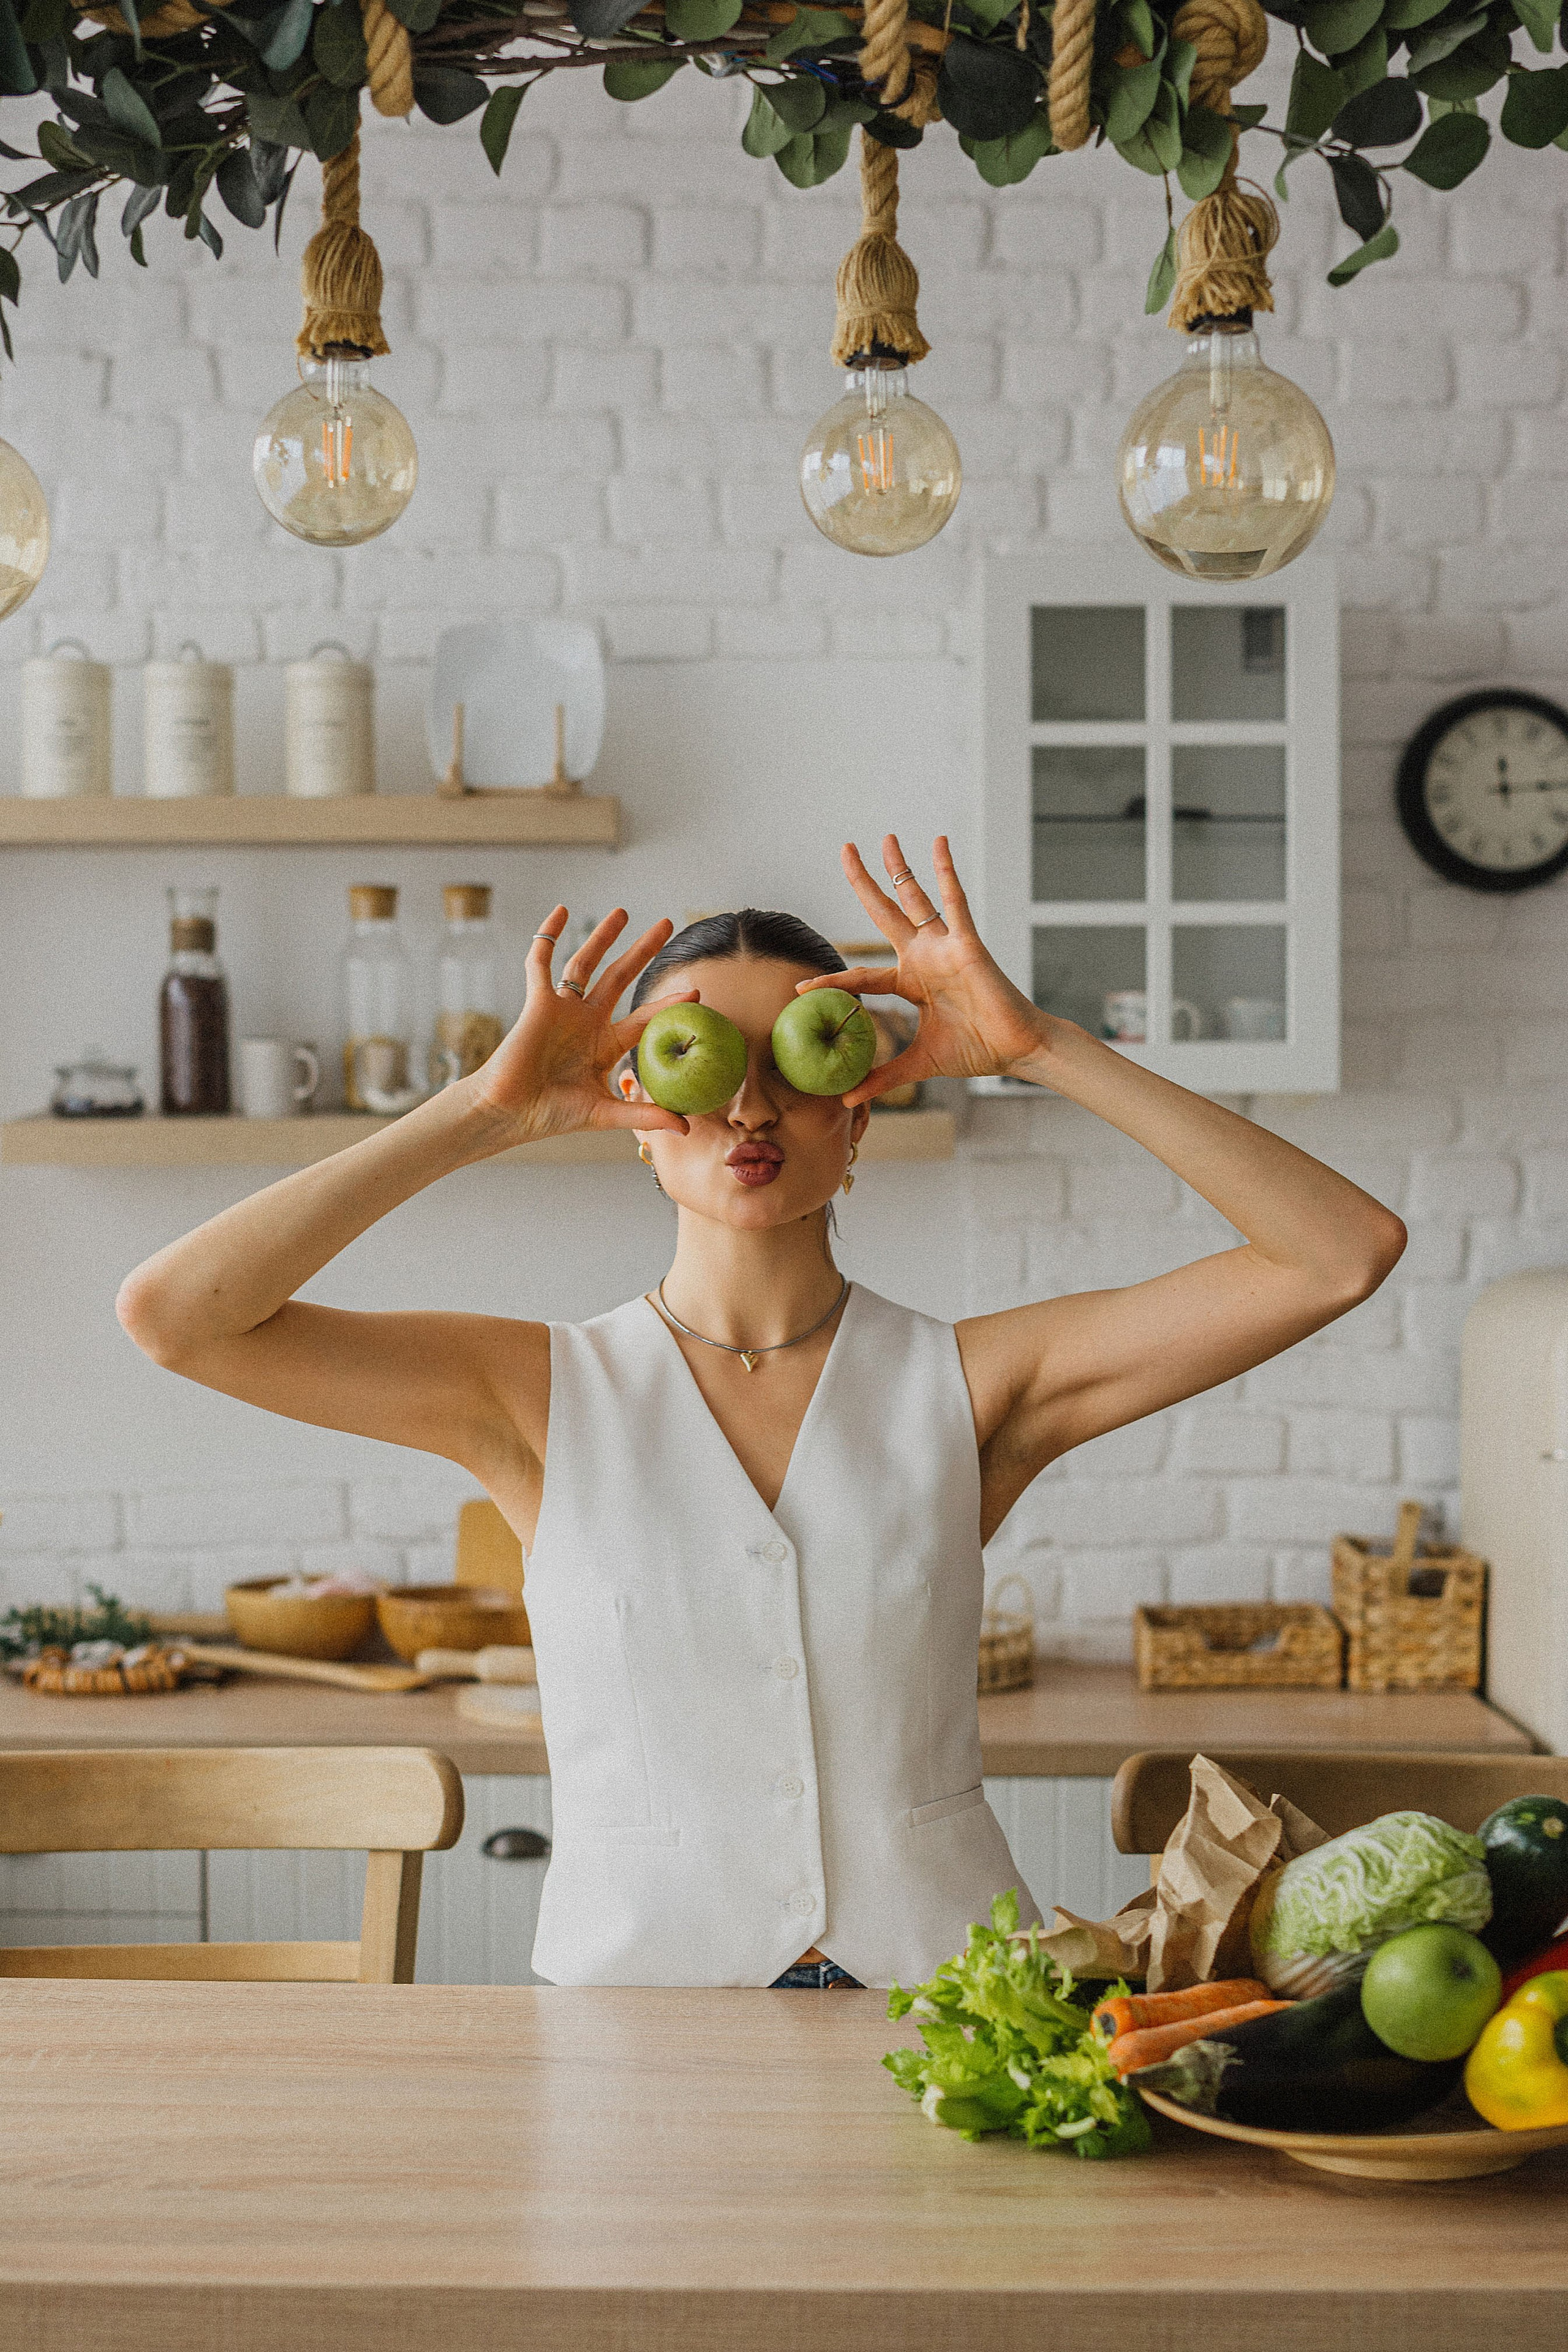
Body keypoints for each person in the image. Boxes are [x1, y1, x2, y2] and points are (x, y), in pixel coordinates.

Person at [118, 834, 1404, 1990]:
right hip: (636, 2014)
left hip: (946, 1999)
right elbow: (177, 1317)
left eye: (790, 1061)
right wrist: (482, 1113)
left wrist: (1034, 1049)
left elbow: (1334, 1252)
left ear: (857, 1105)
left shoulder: (974, 1387)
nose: (745, 1106)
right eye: (703, 1060)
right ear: (634, 1111)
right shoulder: (534, 1392)